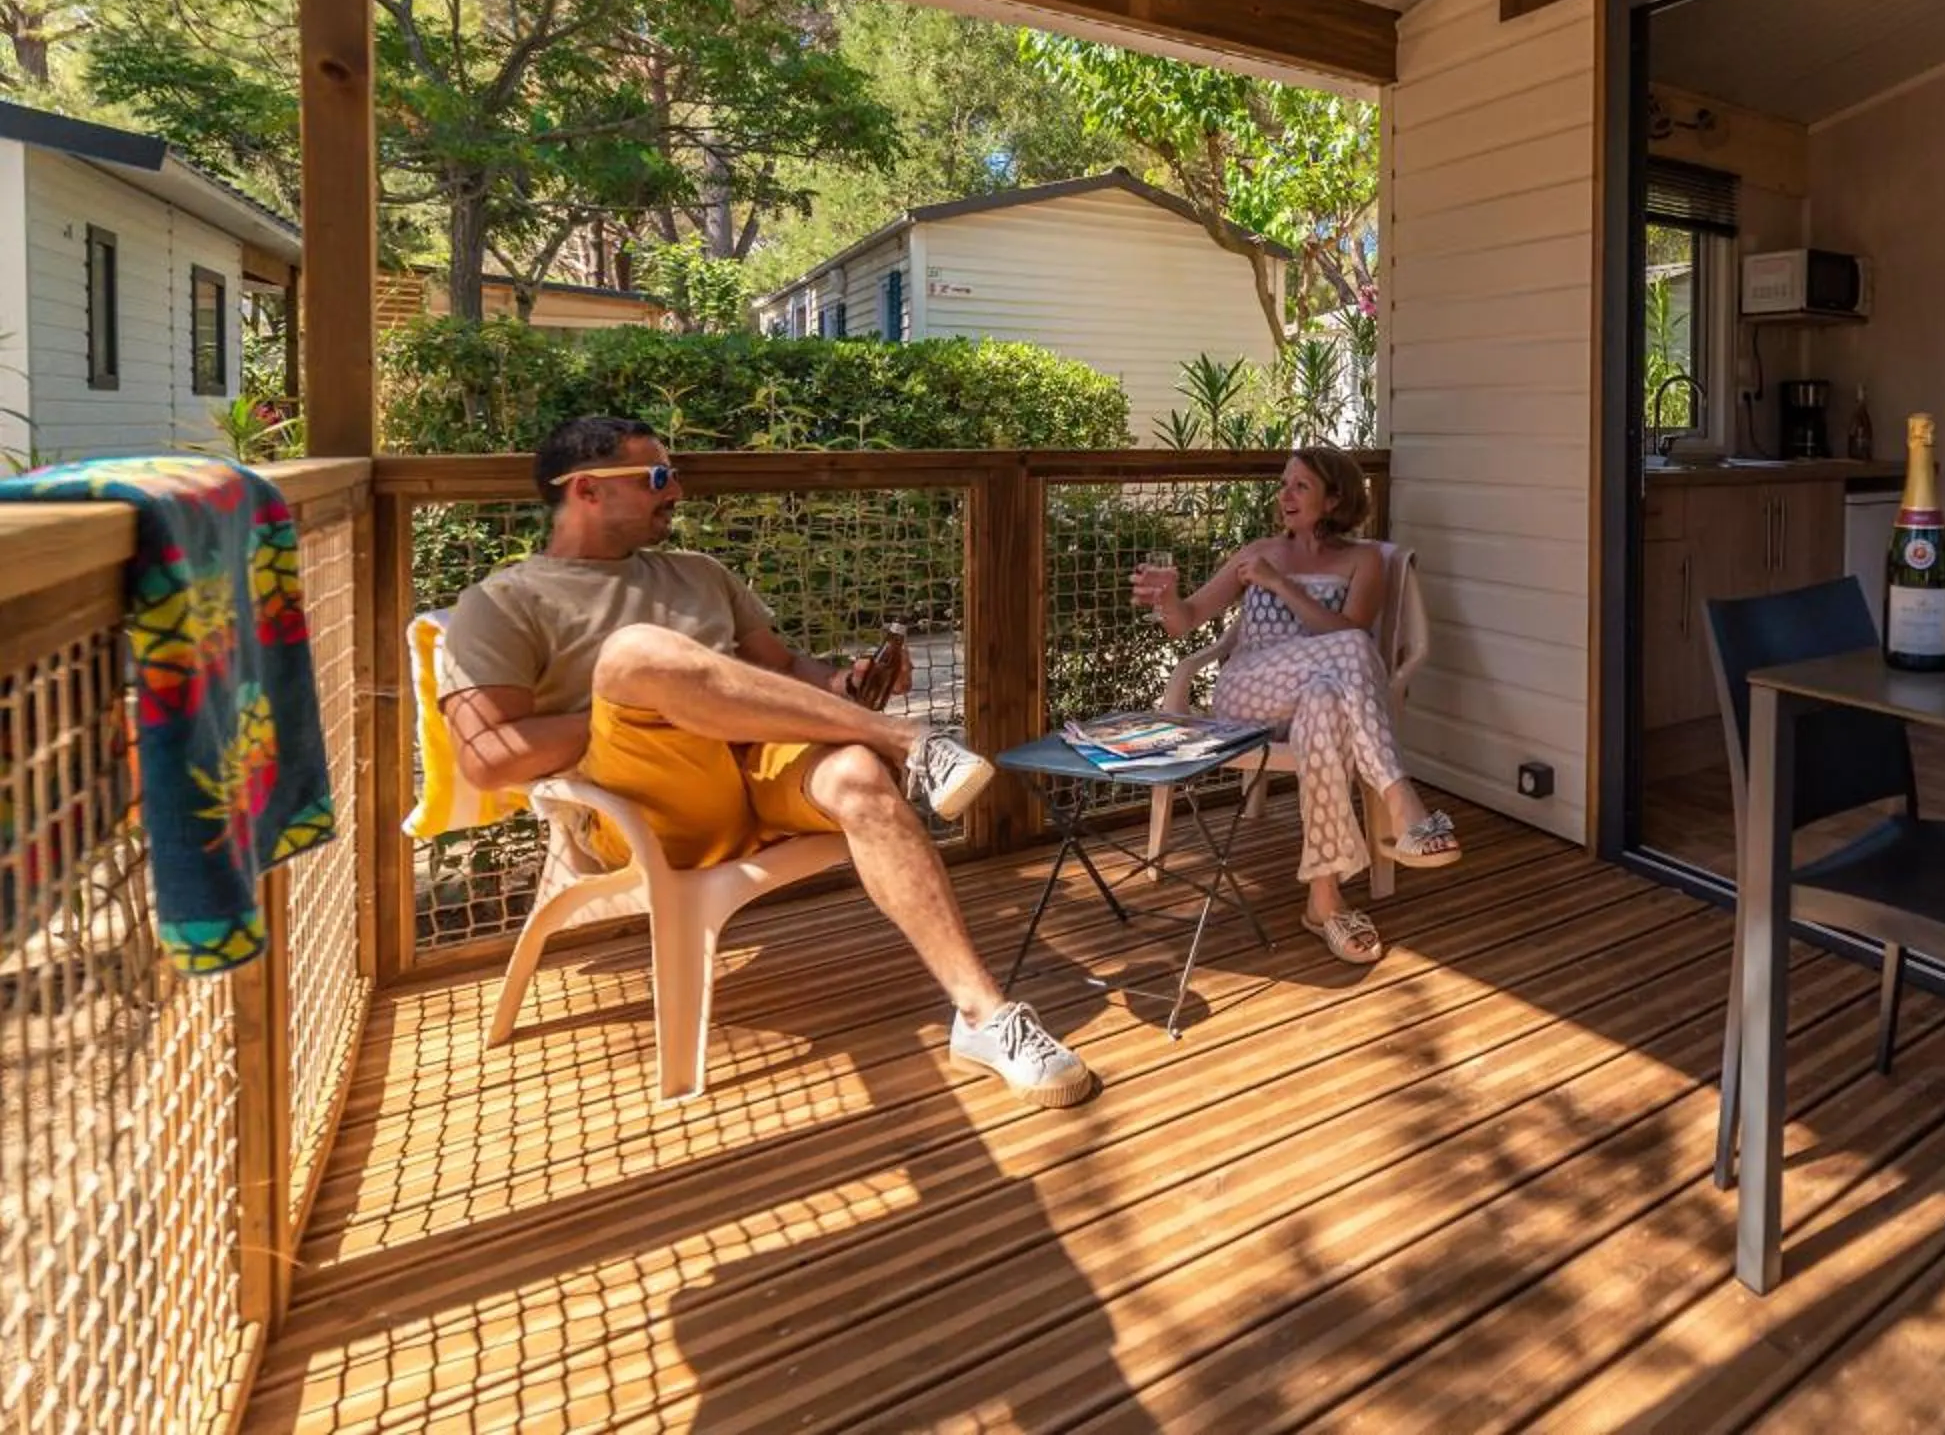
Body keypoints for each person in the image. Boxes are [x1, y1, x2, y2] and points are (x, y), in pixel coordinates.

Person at [434, 415, 1094, 1107]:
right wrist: (650, 706)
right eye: (658, 476)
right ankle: (910, 743)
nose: (677, 489)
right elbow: (490, 758)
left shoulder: (699, 573)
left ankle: (984, 1016)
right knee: (635, 654)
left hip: (755, 772)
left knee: (858, 778)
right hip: (649, 806)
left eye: (675, 473)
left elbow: (785, 670)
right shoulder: (505, 602)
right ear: (588, 490)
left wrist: (844, 684)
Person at [1130, 449, 1459, 964]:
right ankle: (1400, 798)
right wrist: (1167, 599)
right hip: (1247, 693)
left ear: (1334, 498)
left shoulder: (1363, 560)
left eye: (1300, 487)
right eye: (1284, 485)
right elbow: (1185, 620)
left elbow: (1349, 629)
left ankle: (1324, 902)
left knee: (1326, 703)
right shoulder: (1256, 552)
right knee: (1352, 648)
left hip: (1314, 696)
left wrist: (1280, 585)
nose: (1284, 496)